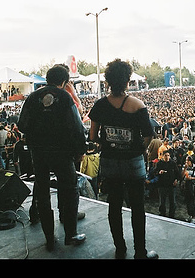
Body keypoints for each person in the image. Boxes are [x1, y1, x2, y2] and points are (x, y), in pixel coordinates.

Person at [88, 58, 158, 259]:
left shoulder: (100, 105)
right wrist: (138, 149)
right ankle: (140, 253)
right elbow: (148, 135)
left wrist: (108, 141)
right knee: (137, 207)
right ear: (127, 81)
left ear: (107, 81)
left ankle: (120, 248)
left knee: (114, 205)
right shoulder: (137, 105)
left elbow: (92, 136)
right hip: (133, 162)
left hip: (109, 161)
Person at [18, 64, 87, 251]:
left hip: (38, 152)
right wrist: (81, 149)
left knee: (42, 191)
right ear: (64, 82)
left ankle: (49, 238)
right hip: (62, 153)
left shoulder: (32, 97)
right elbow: (77, 127)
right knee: (69, 190)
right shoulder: (65, 97)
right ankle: (70, 234)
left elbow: (22, 125)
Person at [155, 151, 179, 218]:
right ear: (163, 156)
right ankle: (162, 213)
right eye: (165, 155)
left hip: (171, 185)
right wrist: (159, 172)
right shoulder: (159, 163)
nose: (167, 157)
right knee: (162, 201)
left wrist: (176, 180)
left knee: (172, 201)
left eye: (168, 155)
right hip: (162, 184)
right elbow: (155, 172)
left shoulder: (173, 163)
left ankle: (172, 214)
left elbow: (177, 173)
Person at [182, 155, 195, 224]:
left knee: (192, 202)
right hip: (186, 185)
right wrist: (184, 169)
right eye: (186, 161)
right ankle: (189, 215)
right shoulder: (185, 167)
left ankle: (193, 217)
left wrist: (191, 178)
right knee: (187, 201)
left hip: (193, 186)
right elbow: (181, 176)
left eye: (188, 161)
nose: (187, 162)